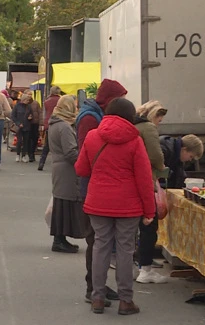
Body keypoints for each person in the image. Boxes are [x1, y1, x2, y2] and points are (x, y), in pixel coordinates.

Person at [75, 98, 156, 316]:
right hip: (128, 206)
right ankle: (125, 300)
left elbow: (81, 169)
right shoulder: (135, 140)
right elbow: (144, 179)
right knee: (125, 250)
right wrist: (150, 210)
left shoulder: (93, 136)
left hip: (98, 202)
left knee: (100, 247)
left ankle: (98, 298)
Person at [75, 78, 128, 304]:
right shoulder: (90, 118)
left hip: (93, 185)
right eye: (121, 99)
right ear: (111, 100)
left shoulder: (94, 115)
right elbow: (85, 156)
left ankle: (98, 287)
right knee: (96, 240)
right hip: (92, 187)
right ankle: (93, 288)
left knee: (99, 240)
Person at [132, 100, 168, 284]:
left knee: (134, 227)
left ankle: (137, 265)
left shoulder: (135, 126)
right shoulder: (149, 128)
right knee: (149, 226)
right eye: (160, 118)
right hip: (145, 180)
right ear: (155, 115)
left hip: (130, 182)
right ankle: (146, 269)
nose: (160, 122)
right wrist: (162, 166)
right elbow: (155, 155)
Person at [48, 95, 87, 253]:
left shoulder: (54, 123)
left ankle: (60, 239)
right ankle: (59, 240)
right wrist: (83, 164)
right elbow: (71, 152)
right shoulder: (64, 126)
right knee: (65, 204)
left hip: (59, 168)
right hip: (66, 170)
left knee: (61, 204)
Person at [39, 86, 62, 171]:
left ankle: (41, 163)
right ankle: (58, 165)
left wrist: (44, 124)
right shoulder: (61, 101)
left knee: (47, 146)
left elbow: (45, 114)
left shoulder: (46, 102)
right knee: (59, 146)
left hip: (49, 124)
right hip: (59, 123)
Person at [11, 93, 33, 163]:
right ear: (23, 100)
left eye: (28, 100)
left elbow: (31, 115)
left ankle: (23, 156)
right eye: (27, 100)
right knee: (19, 141)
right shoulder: (17, 106)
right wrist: (18, 123)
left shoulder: (29, 107)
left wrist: (30, 118)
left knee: (26, 141)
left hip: (27, 125)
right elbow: (13, 116)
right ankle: (18, 154)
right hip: (19, 126)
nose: (28, 101)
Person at [21, 90, 41, 163]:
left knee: (35, 138)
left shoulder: (36, 103)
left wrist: (41, 123)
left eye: (31, 94)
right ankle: (30, 154)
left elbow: (40, 112)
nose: (30, 96)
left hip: (35, 123)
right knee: (28, 139)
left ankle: (32, 152)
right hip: (27, 123)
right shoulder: (22, 104)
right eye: (28, 94)